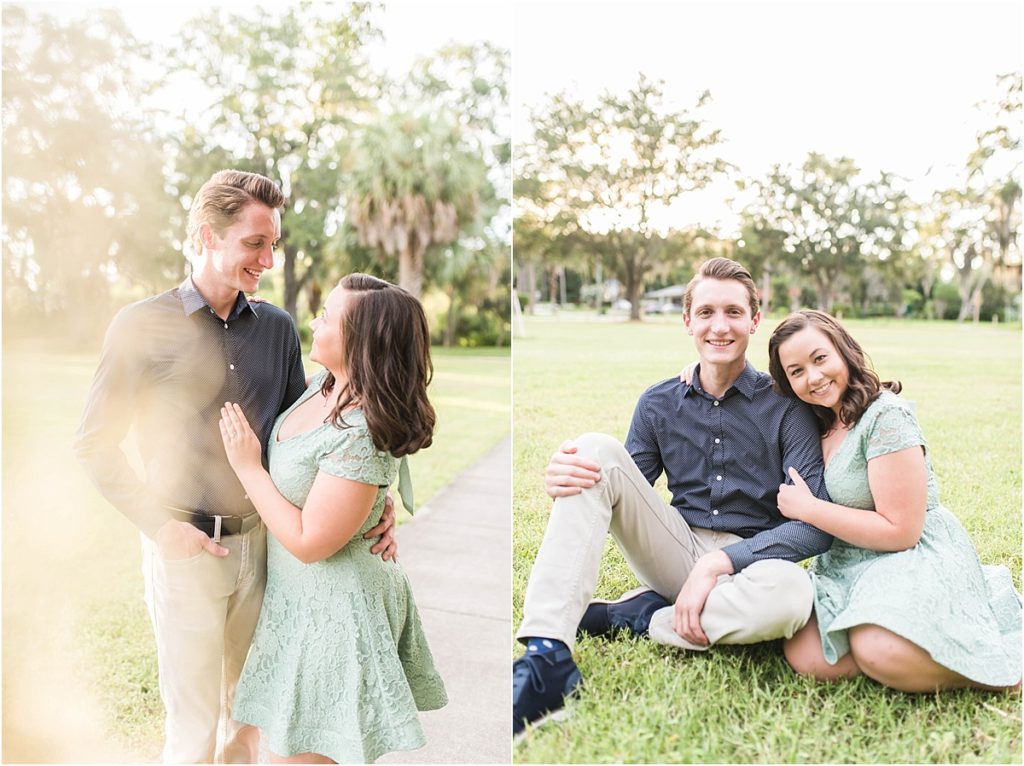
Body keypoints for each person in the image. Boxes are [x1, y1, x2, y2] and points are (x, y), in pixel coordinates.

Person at [74, 170, 396, 763]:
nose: (268, 259)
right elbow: (94, 443)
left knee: (253, 719)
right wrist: (161, 527)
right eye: (254, 243)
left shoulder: (276, 328)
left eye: (273, 243)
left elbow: (309, 435)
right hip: (186, 548)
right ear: (208, 236)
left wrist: (378, 498)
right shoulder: (140, 326)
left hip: (268, 552)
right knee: (194, 730)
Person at [513, 257, 834, 736]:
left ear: (754, 319)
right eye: (705, 313)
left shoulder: (788, 407)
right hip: (676, 548)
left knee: (791, 597)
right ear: (687, 322)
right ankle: (546, 653)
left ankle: (644, 618)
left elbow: (813, 526)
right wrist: (568, 475)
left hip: (753, 566)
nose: (719, 326)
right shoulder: (659, 402)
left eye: (732, 312)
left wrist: (722, 563)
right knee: (596, 450)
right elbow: (616, 487)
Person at [218, 273, 447, 764]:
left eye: (327, 316)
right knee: (260, 744)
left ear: (359, 342)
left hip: (338, 612)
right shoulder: (324, 385)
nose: (314, 321)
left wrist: (247, 466)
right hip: (297, 602)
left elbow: (308, 542)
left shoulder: (362, 428)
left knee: (296, 755)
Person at [765, 309, 1021, 691]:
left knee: (878, 651)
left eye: (820, 359)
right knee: (810, 657)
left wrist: (810, 510)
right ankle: (904, 649)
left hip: (910, 554)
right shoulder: (815, 420)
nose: (813, 377)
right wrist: (699, 370)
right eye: (796, 371)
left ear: (844, 351)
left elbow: (902, 531)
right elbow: (748, 394)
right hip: (847, 560)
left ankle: (1004, 671)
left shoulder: (885, 416)